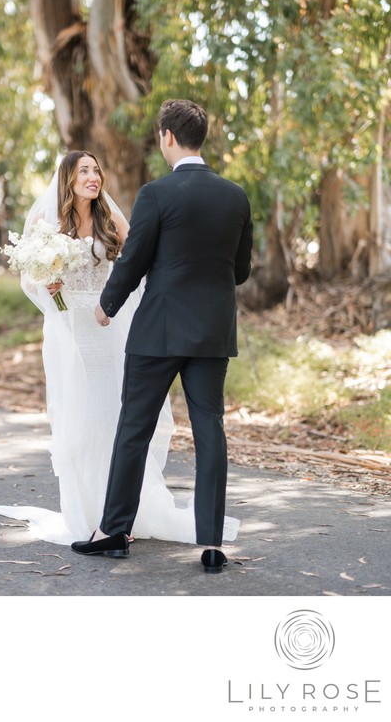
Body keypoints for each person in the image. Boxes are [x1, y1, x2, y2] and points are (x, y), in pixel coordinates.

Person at [0, 149, 240, 547]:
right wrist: (48, 287)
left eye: (96, 170)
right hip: (69, 330)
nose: (93, 177)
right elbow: (30, 278)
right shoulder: (48, 224)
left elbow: (139, 262)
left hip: (109, 327)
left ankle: (123, 515)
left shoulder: (110, 219)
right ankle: (88, 512)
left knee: (116, 417)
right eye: (84, 171)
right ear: (68, 179)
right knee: (78, 421)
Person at [71, 99, 253, 573]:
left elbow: (134, 260)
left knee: (134, 427)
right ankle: (212, 544)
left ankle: (113, 532)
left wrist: (107, 305)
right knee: (209, 429)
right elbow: (241, 270)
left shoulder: (156, 194)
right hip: (212, 332)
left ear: (167, 137)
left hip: (157, 330)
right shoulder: (235, 196)